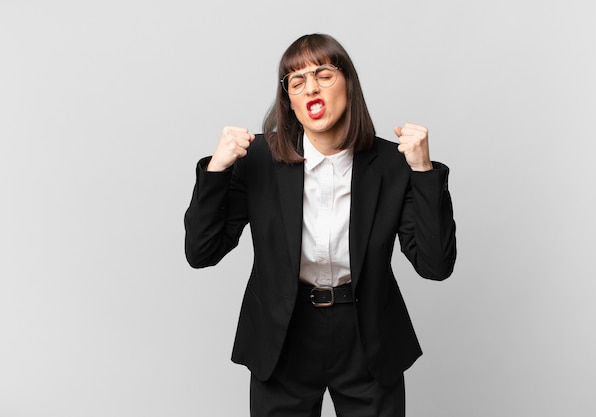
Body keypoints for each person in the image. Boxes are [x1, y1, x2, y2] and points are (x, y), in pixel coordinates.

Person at [184, 33, 456, 417]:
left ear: (348, 83)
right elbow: (201, 252)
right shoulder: (258, 159)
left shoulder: (393, 165)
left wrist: (424, 171)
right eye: (297, 82)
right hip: (284, 335)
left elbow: (435, 265)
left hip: (367, 334)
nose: (311, 87)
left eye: (323, 74)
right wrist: (216, 170)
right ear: (289, 101)